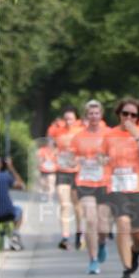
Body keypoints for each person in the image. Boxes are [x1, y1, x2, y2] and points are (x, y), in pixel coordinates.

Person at [104, 98, 139, 278]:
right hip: (116, 186)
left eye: (133, 115)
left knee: (138, 234)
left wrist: (137, 136)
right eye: (125, 113)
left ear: (138, 117)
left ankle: (135, 251)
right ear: (119, 114)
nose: (129, 118)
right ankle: (127, 269)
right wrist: (102, 161)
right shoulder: (110, 135)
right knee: (123, 223)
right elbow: (102, 156)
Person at [68, 100, 111, 274]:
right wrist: (76, 160)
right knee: (90, 220)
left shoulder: (109, 134)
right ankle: (93, 260)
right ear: (86, 116)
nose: (94, 116)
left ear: (101, 115)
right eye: (90, 114)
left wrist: (105, 159)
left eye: (96, 113)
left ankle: (102, 243)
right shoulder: (78, 137)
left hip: (104, 182)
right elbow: (70, 159)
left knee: (103, 226)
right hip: (85, 182)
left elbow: (115, 156)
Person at [52, 106, 84, 250]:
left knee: (77, 205)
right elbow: (52, 147)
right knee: (64, 204)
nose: (68, 121)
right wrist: (54, 155)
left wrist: (77, 158)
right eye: (66, 119)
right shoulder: (57, 131)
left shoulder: (81, 131)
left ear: (76, 119)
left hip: (77, 172)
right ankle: (65, 236)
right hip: (62, 171)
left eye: (71, 119)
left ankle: (79, 232)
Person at [0, 156, 25, 250]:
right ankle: (15, 235)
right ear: (0, 165)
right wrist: (11, 168)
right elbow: (21, 186)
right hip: (7, 213)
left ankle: (5, 237)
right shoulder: (5, 176)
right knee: (19, 210)